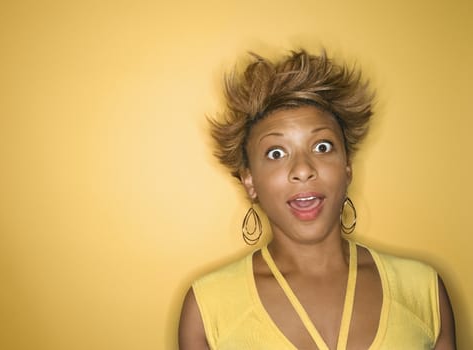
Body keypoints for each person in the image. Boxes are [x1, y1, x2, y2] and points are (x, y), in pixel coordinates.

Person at [178, 49, 456, 349]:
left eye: (322, 147)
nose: (303, 169)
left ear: (347, 167)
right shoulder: (208, 308)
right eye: (276, 153)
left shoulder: (423, 290)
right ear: (250, 181)